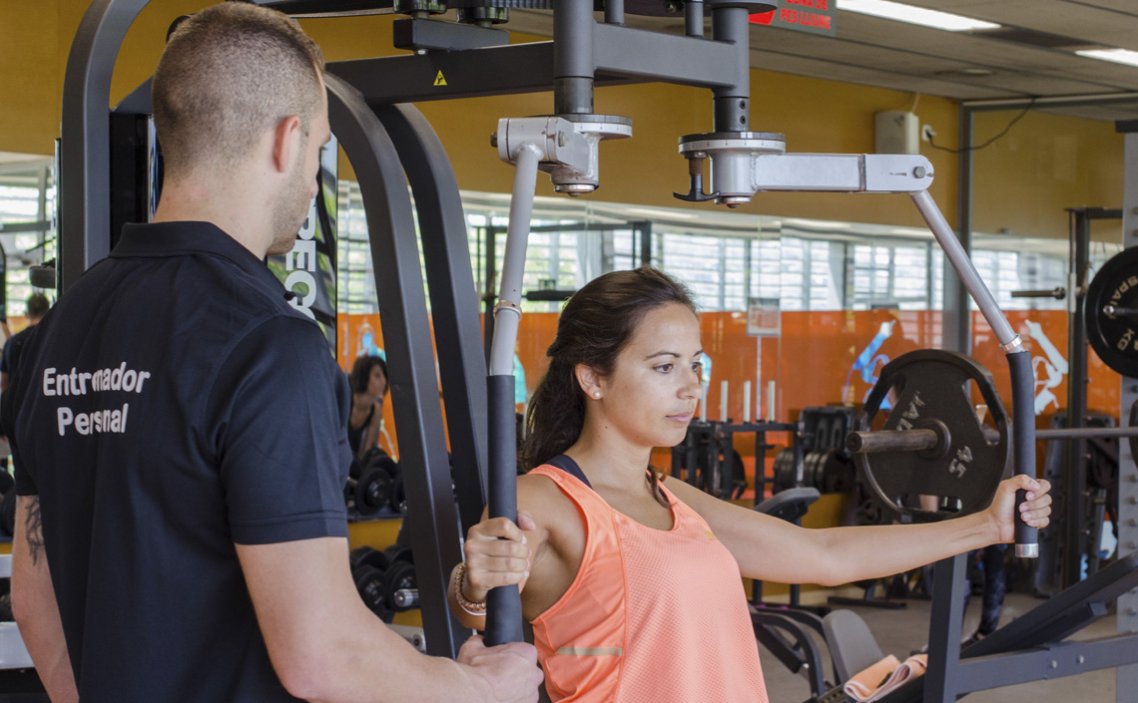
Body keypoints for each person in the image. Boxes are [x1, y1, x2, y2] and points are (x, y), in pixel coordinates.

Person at [4, 5, 541, 703]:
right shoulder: (271, 345)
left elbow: (35, 602)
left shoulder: (55, 333)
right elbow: (322, 654)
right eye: (319, 146)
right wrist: (480, 687)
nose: (315, 178)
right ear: (288, 140)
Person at [450, 266, 1052, 702]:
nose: (690, 386)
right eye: (664, 367)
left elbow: (824, 555)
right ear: (593, 379)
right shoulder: (544, 498)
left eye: (695, 365)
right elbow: (476, 606)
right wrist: (473, 584)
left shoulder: (673, 498)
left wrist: (988, 526)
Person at [0, 292, 48, 396]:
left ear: (27, 313)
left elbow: (4, 383)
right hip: (44, 401)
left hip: (18, 402)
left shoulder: (11, 343)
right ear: (48, 312)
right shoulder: (51, 340)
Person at [348, 355, 388, 459]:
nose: (383, 381)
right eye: (377, 375)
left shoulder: (376, 411)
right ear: (364, 376)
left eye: (384, 376)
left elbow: (366, 451)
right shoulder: (346, 396)